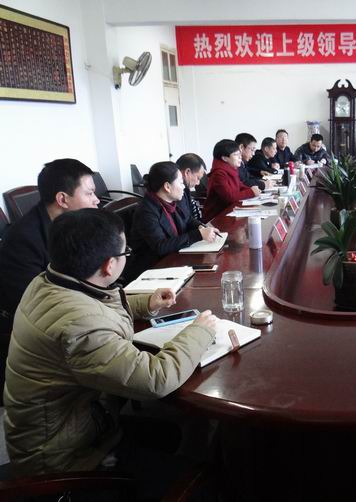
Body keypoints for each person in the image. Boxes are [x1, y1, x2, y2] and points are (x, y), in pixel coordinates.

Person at [3, 208, 217, 493]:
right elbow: (156, 379)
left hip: (75, 424)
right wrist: (201, 330)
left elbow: (96, 303)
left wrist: (146, 303)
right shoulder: (79, 327)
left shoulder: (49, 280)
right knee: (206, 469)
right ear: (109, 266)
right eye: (125, 252)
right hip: (64, 463)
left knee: (171, 432)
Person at [0, 159, 100, 332]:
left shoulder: (75, 224)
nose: (96, 200)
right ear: (62, 199)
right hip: (37, 328)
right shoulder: (22, 240)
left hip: (77, 310)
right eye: (89, 193)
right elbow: (33, 304)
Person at [127, 161, 218, 280]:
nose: (184, 186)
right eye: (180, 182)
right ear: (167, 187)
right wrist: (198, 234)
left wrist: (202, 227)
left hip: (175, 258)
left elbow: (188, 220)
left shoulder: (173, 201)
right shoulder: (146, 211)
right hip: (153, 268)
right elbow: (161, 246)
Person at [203, 139, 261, 221]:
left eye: (239, 154)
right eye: (236, 155)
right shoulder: (218, 174)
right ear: (224, 158)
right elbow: (229, 197)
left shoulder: (231, 169)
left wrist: (253, 189)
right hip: (216, 218)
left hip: (230, 212)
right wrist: (251, 192)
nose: (240, 157)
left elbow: (240, 185)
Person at [176, 152, 207, 221]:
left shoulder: (186, 190)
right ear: (187, 172)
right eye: (198, 178)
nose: (198, 183)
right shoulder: (175, 195)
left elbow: (190, 219)